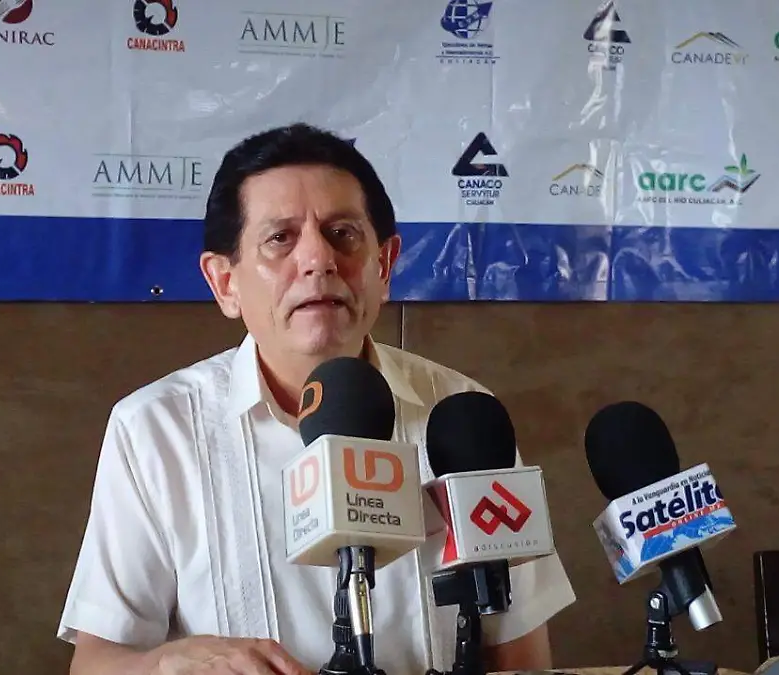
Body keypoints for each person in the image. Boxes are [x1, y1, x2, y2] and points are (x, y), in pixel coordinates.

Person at [57, 122, 578, 675]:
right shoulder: (156, 430)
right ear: (225, 283)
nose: (318, 259)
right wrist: (171, 663)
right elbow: (96, 663)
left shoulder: (462, 416)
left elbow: (521, 654)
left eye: (342, 233)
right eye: (280, 238)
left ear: (384, 266)